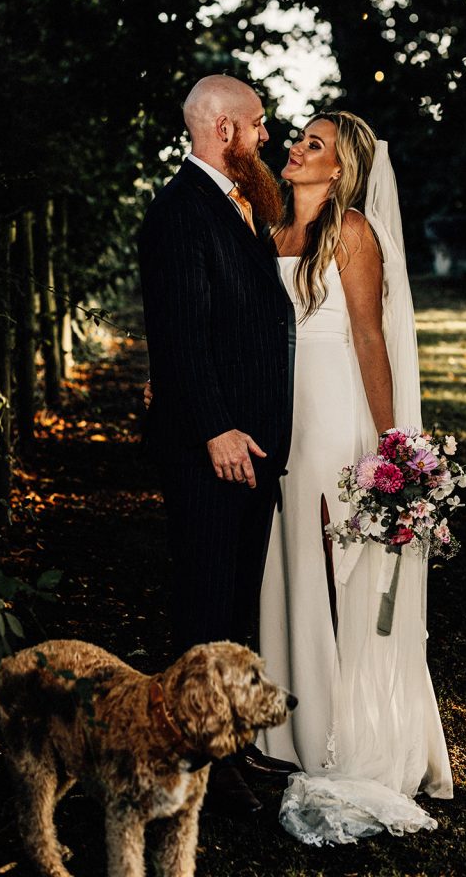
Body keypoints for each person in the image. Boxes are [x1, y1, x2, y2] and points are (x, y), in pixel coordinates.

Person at [257, 111, 454, 843]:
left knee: (334, 565)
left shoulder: (354, 234)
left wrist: (391, 446)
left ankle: (342, 731)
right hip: (282, 415)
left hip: (335, 414)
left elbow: (370, 336)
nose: (296, 149)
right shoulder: (269, 224)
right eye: (298, 139)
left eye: (314, 144)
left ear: (339, 168)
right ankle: (288, 725)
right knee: (288, 564)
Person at [138, 75, 297, 819]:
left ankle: (222, 751)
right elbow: (178, 337)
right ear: (225, 129)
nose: (268, 136)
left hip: (252, 444)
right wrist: (214, 427)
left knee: (232, 605)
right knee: (203, 607)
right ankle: (189, 761)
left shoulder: (238, 205)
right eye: (259, 125)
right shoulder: (178, 212)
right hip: (215, 446)